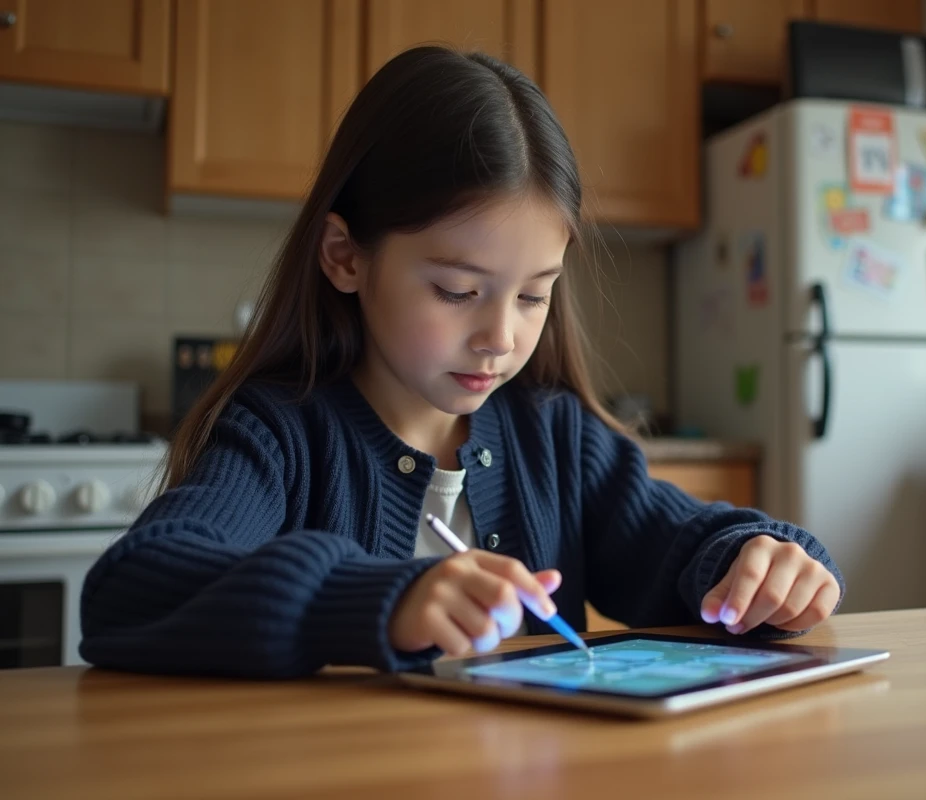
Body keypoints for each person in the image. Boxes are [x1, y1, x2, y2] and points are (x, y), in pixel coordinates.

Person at [80, 47, 844, 678]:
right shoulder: (279, 434)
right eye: (456, 290)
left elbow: (679, 548)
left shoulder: (558, 438)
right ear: (346, 257)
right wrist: (377, 600)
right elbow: (131, 591)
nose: (500, 337)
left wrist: (758, 563)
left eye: (533, 296)